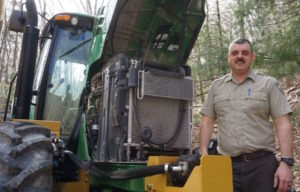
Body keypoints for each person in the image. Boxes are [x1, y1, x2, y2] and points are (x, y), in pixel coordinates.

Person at [199, 37, 294, 192]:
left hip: (262, 166)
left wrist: (286, 162)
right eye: (235, 53)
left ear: (252, 57)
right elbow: (207, 121)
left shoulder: (268, 84)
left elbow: (282, 123)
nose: (240, 56)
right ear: (228, 57)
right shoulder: (217, 87)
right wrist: (204, 155)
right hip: (225, 166)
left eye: (245, 53)